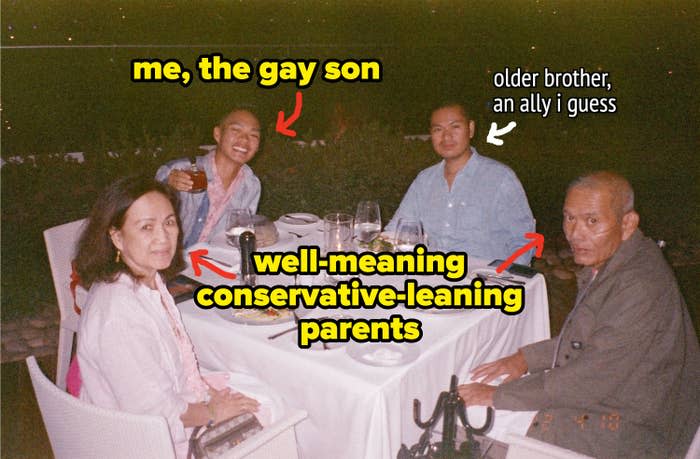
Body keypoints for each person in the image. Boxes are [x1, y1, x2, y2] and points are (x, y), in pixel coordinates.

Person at [458, 172, 700, 458]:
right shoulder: (619, 260)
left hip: (633, 427)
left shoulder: (639, 286)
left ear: (627, 223)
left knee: (471, 415)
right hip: (618, 396)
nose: (575, 233)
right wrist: (524, 359)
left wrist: (497, 397)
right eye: (570, 218)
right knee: (480, 379)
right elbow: (585, 341)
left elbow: (586, 380)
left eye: (592, 221)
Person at [75, 176, 282, 458]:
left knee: (265, 390)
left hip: (164, 407)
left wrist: (209, 392)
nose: (163, 237)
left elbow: (173, 365)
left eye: (169, 223)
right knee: (272, 414)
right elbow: (155, 413)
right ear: (117, 237)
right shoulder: (119, 315)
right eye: (147, 227)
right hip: (144, 442)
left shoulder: (146, 279)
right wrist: (212, 411)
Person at [385, 101, 535, 264]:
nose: (446, 136)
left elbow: (524, 242)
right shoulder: (425, 180)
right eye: (438, 129)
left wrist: (502, 278)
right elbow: (396, 232)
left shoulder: (500, 178)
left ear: (470, 129)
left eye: (455, 127)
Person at [156, 108, 262, 248]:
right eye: (236, 130)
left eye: (253, 135)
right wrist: (165, 187)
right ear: (218, 134)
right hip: (171, 263)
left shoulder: (251, 185)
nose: (244, 139)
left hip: (213, 262)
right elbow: (143, 207)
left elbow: (239, 234)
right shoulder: (180, 172)